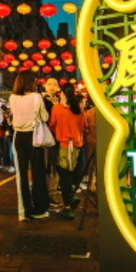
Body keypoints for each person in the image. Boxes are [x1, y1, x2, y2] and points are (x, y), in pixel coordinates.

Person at [10, 71, 49, 221]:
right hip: (33, 136)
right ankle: (39, 209)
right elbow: (45, 117)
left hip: (18, 137)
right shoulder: (36, 97)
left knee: (21, 175)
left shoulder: (12, 98)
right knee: (38, 173)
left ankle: (23, 212)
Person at [49, 83, 86, 220]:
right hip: (76, 146)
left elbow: (52, 125)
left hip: (63, 145)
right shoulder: (79, 109)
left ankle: (68, 206)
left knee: (63, 176)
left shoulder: (57, 108)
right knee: (70, 174)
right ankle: (72, 197)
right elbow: (83, 127)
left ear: (63, 94)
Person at [41, 78, 61, 207]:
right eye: (49, 84)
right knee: (43, 165)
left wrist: (57, 106)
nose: (52, 86)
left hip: (56, 137)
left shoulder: (61, 101)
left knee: (54, 166)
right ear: (44, 86)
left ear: (59, 87)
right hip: (43, 137)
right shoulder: (40, 100)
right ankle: (43, 194)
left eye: (55, 84)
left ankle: (52, 193)